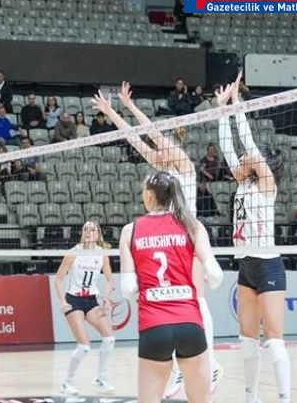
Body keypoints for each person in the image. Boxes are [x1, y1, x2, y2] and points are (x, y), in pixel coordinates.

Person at [93, 82, 222, 397]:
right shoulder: (160, 173)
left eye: (164, 145)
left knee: (197, 301)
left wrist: (132, 106)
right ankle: (190, 366)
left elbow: (153, 134)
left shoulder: (184, 167)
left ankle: (211, 363)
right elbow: (135, 138)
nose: (158, 149)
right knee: (187, 304)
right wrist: (113, 111)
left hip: (187, 239)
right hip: (168, 238)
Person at [118, 170, 223, 403]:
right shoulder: (192, 226)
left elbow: (127, 288)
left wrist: (148, 286)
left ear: (149, 195)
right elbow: (216, 276)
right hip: (189, 323)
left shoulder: (130, 230)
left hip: (154, 325)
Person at [218, 72, 289, 403]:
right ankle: (251, 397)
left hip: (268, 265)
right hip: (245, 264)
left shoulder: (266, 184)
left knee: (273, 338)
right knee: (247, 339)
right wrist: (222, 110)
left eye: (251, 156)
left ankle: (284, 398)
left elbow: (246, 144)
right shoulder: (243, 182)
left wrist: (237, 103)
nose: (244, 156)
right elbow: (227, 148)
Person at [54, 221, 115, 395]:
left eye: (93, 230)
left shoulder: (102, 254)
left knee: (109, 338)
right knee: (84, 346)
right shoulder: (74, 253)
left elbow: (110, 279)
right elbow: (57, 279)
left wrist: (107, 297)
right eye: (86, 229)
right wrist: (62, 302)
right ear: (82, 233)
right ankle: (67, 383)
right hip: (73, 300)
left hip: (91, 300)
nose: (89, 232)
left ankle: (100, 379)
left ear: (98, 234)